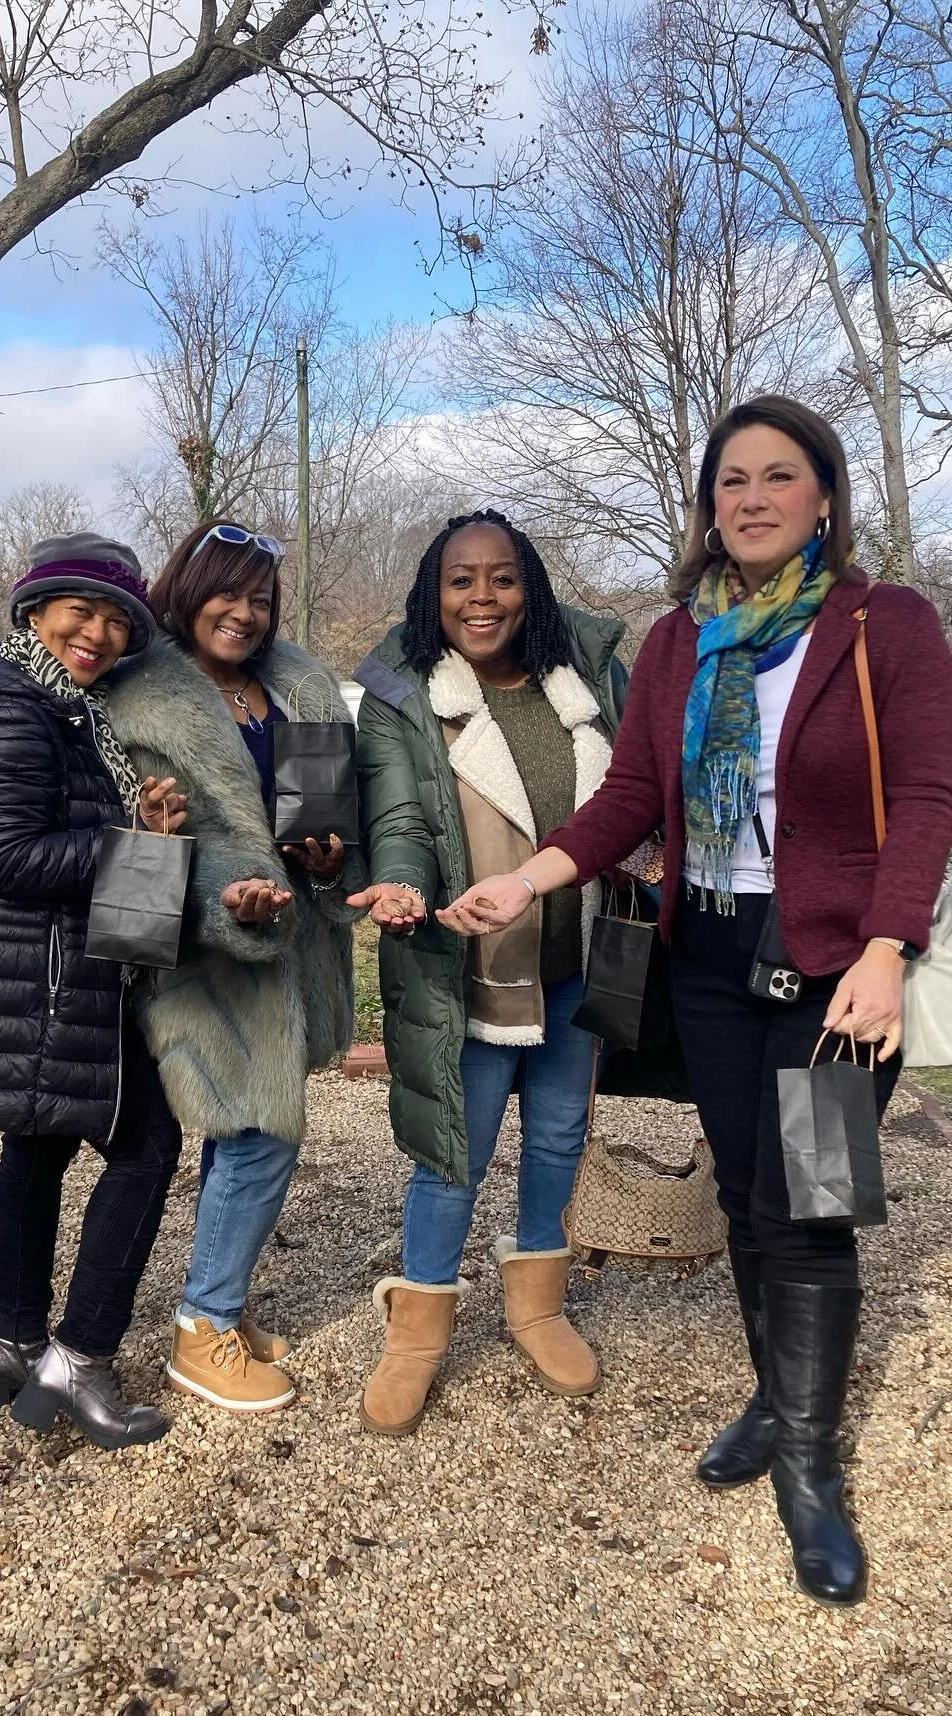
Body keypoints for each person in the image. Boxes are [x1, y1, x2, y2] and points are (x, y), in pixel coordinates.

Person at [440, 398, 952, 1606]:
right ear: (709, 503)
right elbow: (631, 795)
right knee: (742, 1192)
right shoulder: (683, 640)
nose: (754, 499)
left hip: (839, 971)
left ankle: (811, 1469)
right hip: (717, 962)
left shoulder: (887, 626)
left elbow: (928, 798)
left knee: (812, 1203)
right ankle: (780, 1399)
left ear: (824, 496)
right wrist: (527, 875)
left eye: (780, 477)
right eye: (733, 481)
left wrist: (889, 948)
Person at [348, 509, 630, 1436]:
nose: (482, 597)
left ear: (530, 588)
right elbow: (399, 817)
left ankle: (537, 1306)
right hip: (463, 965)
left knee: (557, 1139)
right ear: (435, 592)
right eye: (461, 580)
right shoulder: (407, 695)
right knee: (452, 1155)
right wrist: (398, 882)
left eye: (501, 578)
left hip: (576, 960)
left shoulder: (584, 681)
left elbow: (631, 796)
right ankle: (418, 1330)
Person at [103, 520, 365, 1414]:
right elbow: (141, 843)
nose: (245, 614)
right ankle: (201, 1327)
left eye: (261, 599)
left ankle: (222, 1302)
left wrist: (330, 862)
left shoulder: (295, 689)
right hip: (199, 949)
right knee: (263, 1131)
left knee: (243, 1128)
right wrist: (228, 898)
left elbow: (323, 818)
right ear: (187, 588)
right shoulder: (136, 699)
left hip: (294, 944)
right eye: (228, 592)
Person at [0, 532, 188, 1451]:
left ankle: (11, 1347)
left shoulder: (64, 706)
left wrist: (143, 835)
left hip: (62, 973)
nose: (100, 633)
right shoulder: (11, 706)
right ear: (34, 610)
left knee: (36, 1152)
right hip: (41, 977)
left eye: (119, 621)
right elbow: (11, 855)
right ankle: (78, 1362)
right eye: (83, 611)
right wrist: (141, 843)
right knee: (148, 1146)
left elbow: (90, 851)